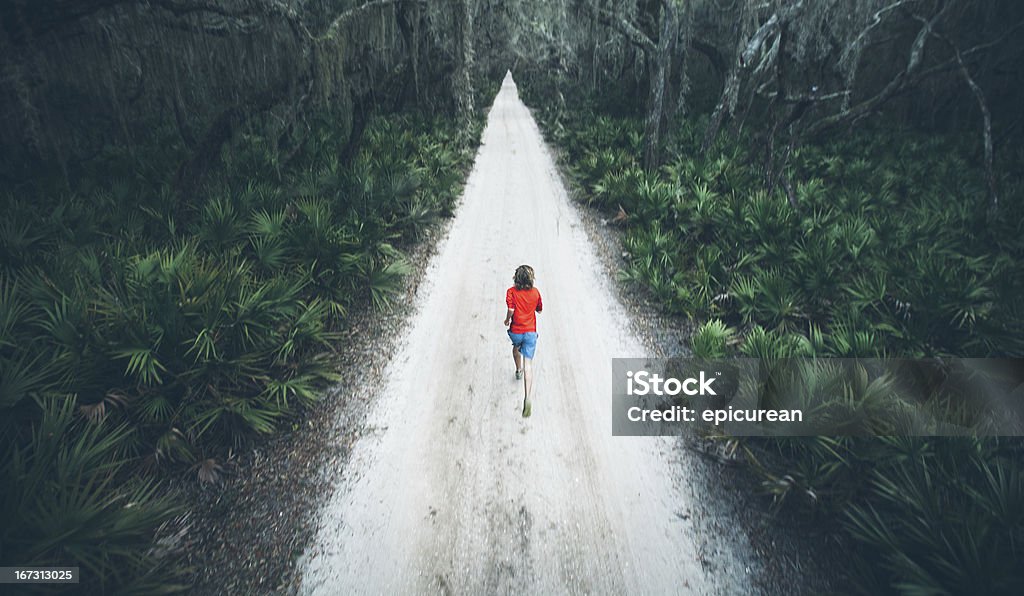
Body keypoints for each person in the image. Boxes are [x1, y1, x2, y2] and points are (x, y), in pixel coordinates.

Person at [504, 265, 543, 417]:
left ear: (516, 278)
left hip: (516, 331)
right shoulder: (535, 293)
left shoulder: (511, 292)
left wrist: (507, 320)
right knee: (529, 364)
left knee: (515, 348)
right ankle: (527, 397)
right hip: (530, 333)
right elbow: (539, 310)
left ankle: (518, 370)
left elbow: (511, 310)